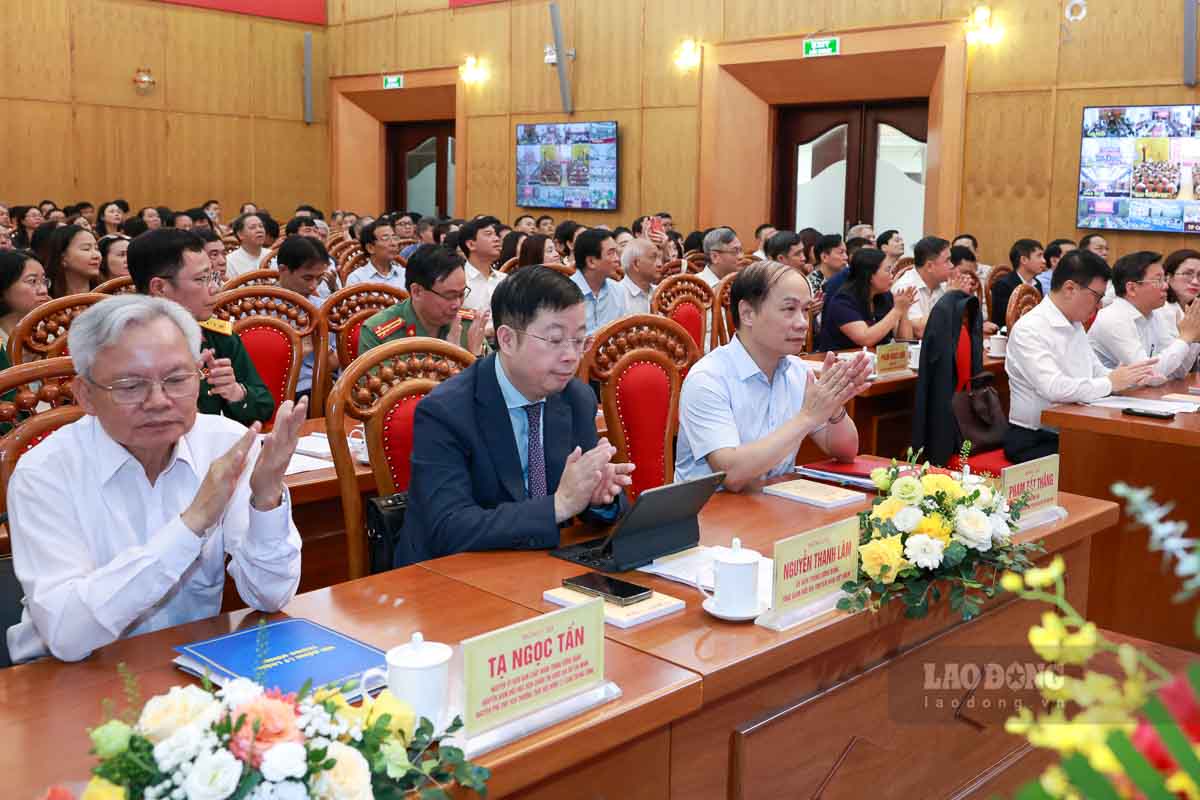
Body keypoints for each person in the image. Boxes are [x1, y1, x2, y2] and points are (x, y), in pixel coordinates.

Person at [6, 295, 305, 663]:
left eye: (177, 379)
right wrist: (191, 524)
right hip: (64, 678)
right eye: (131, 386)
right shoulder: (45, 473)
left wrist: (266, 499)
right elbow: (67, 636)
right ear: (85, 394)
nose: (159, 400)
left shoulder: (225, 445)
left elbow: (271, 595)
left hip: (188, 666)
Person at [395, 266, 632, 565]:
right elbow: (448, 528)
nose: (571, 355)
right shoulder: (446, 412)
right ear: (506, 340)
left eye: (579, 340)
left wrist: (599, 498)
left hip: (538, 567)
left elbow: (590, 502)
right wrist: (558, 506)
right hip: (452, 578)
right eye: (555, 340)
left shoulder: (576, 398)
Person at [675, 261, 870, 491]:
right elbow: (731, 475)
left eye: (806, 310)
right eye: (789, 309)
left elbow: (846, 452)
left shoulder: (797, 371)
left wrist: (833, 405)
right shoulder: (708, 378)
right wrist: (807, 417)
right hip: (711, 514)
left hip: (773, 506)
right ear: (747, 313)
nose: (802, 323)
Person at [1004, 249, 1158, 463]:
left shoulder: (1074, 324)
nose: (1099, 305)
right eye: (1097, 296)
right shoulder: (1030, 328)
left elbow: (1095, 371)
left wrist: (1129, 378)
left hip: (1074, 428)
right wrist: (1110, 383)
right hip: (1035, 438)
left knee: (1136, 451)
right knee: (1116, 461)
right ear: (1070, 288)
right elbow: (1053, 388)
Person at [129, 228, 275, 425]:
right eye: (200, 279)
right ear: (160, 288)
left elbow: (264, 406)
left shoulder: (217, 336)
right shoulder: (123, 346)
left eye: (212, 277)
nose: (214, 289)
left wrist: (235, 392)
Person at [358, 243, 488, 356]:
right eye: (449, 296)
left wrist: (474, 355)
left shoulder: (469, 325)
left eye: (461, 294)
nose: (457, 304)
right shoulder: (379, 333)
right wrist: (453, 359)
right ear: (417, 291)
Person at [1088, 251, 1200, 382]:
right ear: (1132, 289)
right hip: (1103, 398)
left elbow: (1177, 372)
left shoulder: (1155, 314)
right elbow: (1148, 372)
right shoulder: (1113, 317)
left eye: (1164, 279)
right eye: (1158, 280)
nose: (1165, 286)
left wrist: (1193, 339)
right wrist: (1185, 337)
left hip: (1136, 396)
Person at [817, 248, 916, 351]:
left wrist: (904, 311)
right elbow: (865, 339)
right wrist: (897, 310)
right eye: (887, 270)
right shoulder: (843, 301)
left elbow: (905, 341)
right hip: (839, 361)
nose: (891, 275)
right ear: (870, 275)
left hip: (877, 361)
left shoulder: (885, 296)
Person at [276, 236, 334, 402]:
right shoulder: (259, 309)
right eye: (307, 278)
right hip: (276, 387)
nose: (314, 286)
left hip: (320, 386)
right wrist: (297, 351)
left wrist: (319, 345)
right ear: (283, 270)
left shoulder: (324, 307)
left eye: (319, 278)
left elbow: (337, 361)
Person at [890, 235, 954, 338]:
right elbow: (920, 331)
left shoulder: (944, 284)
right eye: (947, 261)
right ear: (929, 266)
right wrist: (949, 300)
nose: (952, 266)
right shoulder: (906, 287)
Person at [0, 250, 50, 369]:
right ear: (3, 288)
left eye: (44, 281)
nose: (43, 290)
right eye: (32, 281)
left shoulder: (53, 330)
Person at [570, 228, 625, 333]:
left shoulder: (618, 290)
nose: (617, 259)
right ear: (591, 262)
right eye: (611, 253)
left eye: (616, 253)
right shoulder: (563, 293)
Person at [990, 238, 1045, 329]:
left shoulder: (1037, 284)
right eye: (1039, 256)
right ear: (1023, 260)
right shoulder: (1003, 285)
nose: (1043, 261)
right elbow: (1003, 320)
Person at [459, 217, 505, 314]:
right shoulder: (459, 280)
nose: (497, 239)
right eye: (488, 234)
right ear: (471, 244)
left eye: (496, 235)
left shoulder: (505, 280)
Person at [950, 244, 999, 334]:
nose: (969, 278)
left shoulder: (970, 287)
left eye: (971, 273)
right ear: (950, 267)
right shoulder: (941, 287)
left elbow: (979, 317)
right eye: (964, 272)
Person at [345, 219, 406, 289]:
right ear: (370, 248)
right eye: (386, 238)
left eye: (395, 238)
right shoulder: (357, 279)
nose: (393, 243)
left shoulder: (405, 274)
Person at [44, 224, 102, 297]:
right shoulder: (45, 300)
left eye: (96, 249)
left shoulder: (107, 294)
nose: (96, 255)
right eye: (86, 249)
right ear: (62, 258)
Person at [1157, 249, 1200, 340]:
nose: (1195, 282)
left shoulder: (1193, 309)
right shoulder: (1161, 310)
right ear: (1168, 277)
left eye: (1199, 275)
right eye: (1188, 274)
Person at [618, 238, 661, 315]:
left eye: (659, 258)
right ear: (636, 264)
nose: (660, 264)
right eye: (653, 257)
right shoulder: (616, 295)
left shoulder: (661, 292)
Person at [226, 213, 267, 278]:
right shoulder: (229, 261)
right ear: (240, 235)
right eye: (252, 227)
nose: (259, 230)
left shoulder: (273, 256)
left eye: (261, 226)